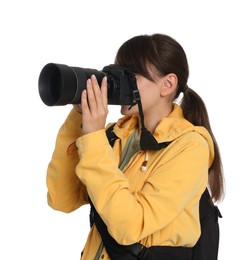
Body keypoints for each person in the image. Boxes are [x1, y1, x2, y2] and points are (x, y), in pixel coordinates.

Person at [46, 33, 224, 260]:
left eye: (132, 75)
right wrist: (78, 118)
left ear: (167, 84)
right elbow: (62, 199)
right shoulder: (112, 136)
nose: (120, 82)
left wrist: (93, 139)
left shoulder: (190, 147)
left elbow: (130, 226)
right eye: (119, 72)